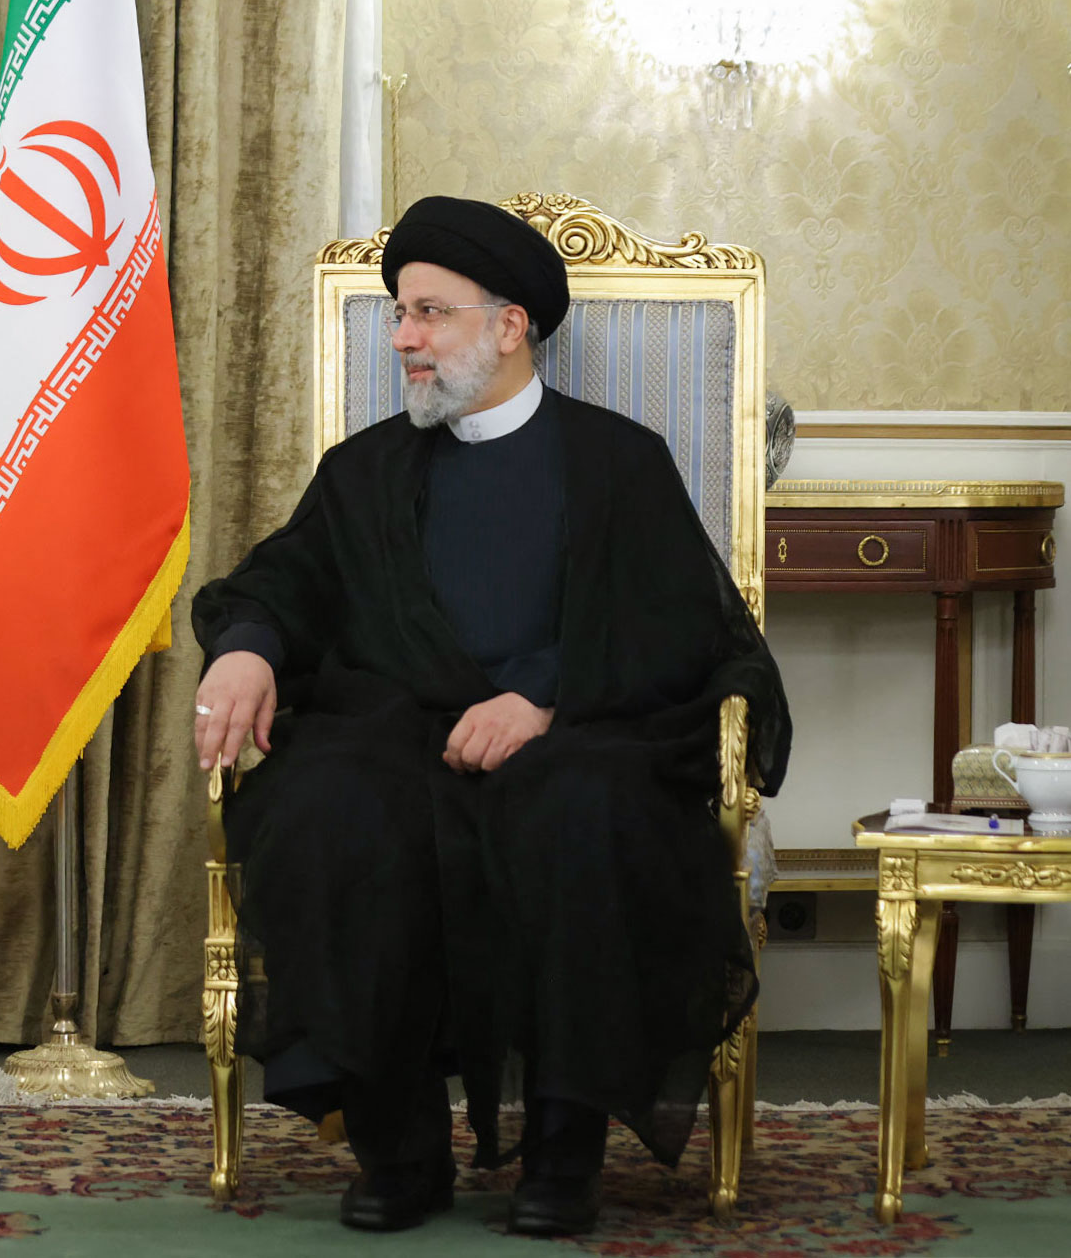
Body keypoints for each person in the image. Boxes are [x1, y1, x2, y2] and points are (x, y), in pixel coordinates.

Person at [190, 195, 789, 1237]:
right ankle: (398, 1148)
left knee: (583, 811)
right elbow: (283, 585)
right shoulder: (367, 470)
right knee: (331, 803)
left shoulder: (618, 461)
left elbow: (688, 633)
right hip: (396, 738)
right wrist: (246, 647)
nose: (403, 339)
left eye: (429, 313)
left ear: (510, 325)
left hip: (577, 738)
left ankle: (564, 1153)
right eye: (397, 315)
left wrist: (545, 698)